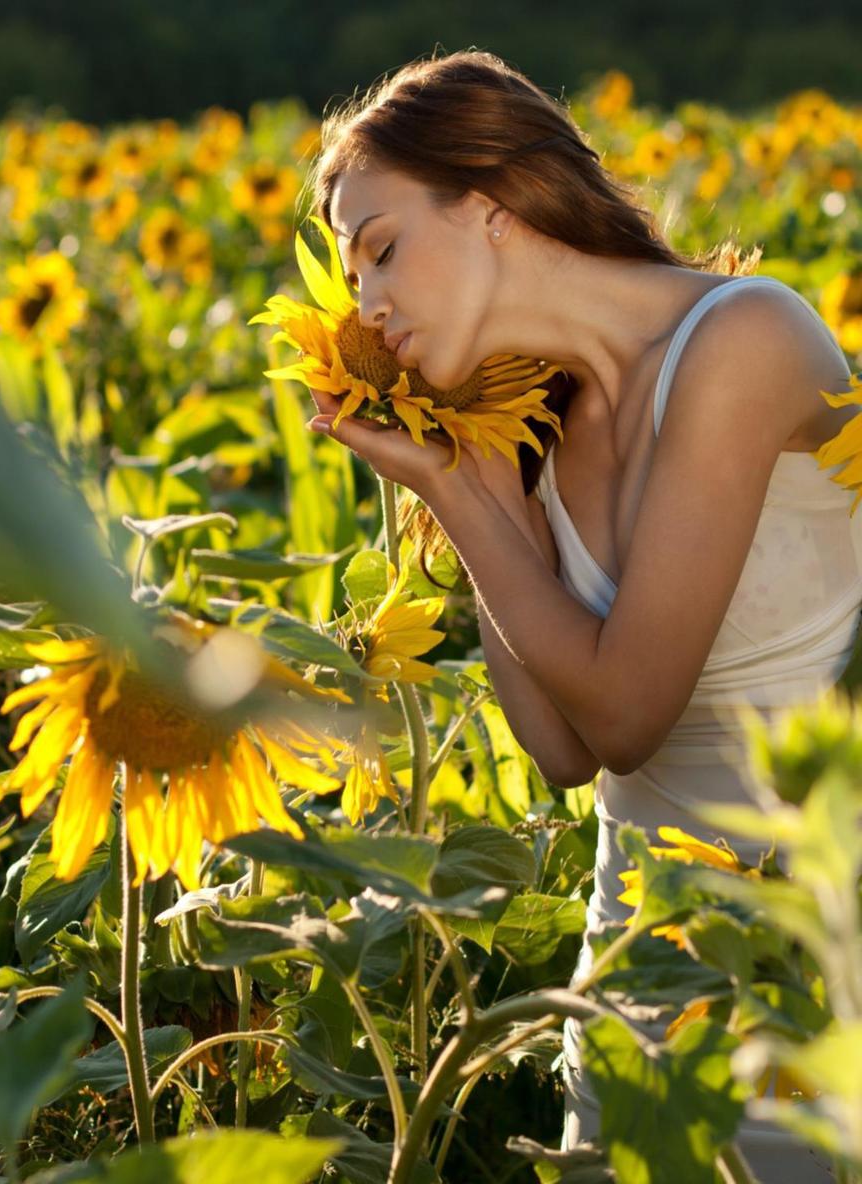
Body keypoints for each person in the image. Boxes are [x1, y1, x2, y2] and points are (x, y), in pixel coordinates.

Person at [300, 49, 860, 1182]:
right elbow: (560, 752)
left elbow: (624, 717)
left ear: (492, 204)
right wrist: (476, 489)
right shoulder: (542, 433)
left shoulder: (743, 338)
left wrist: (457, 493)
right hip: (628, 964)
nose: (363, 303)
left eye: (382, 247)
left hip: (798, 951)